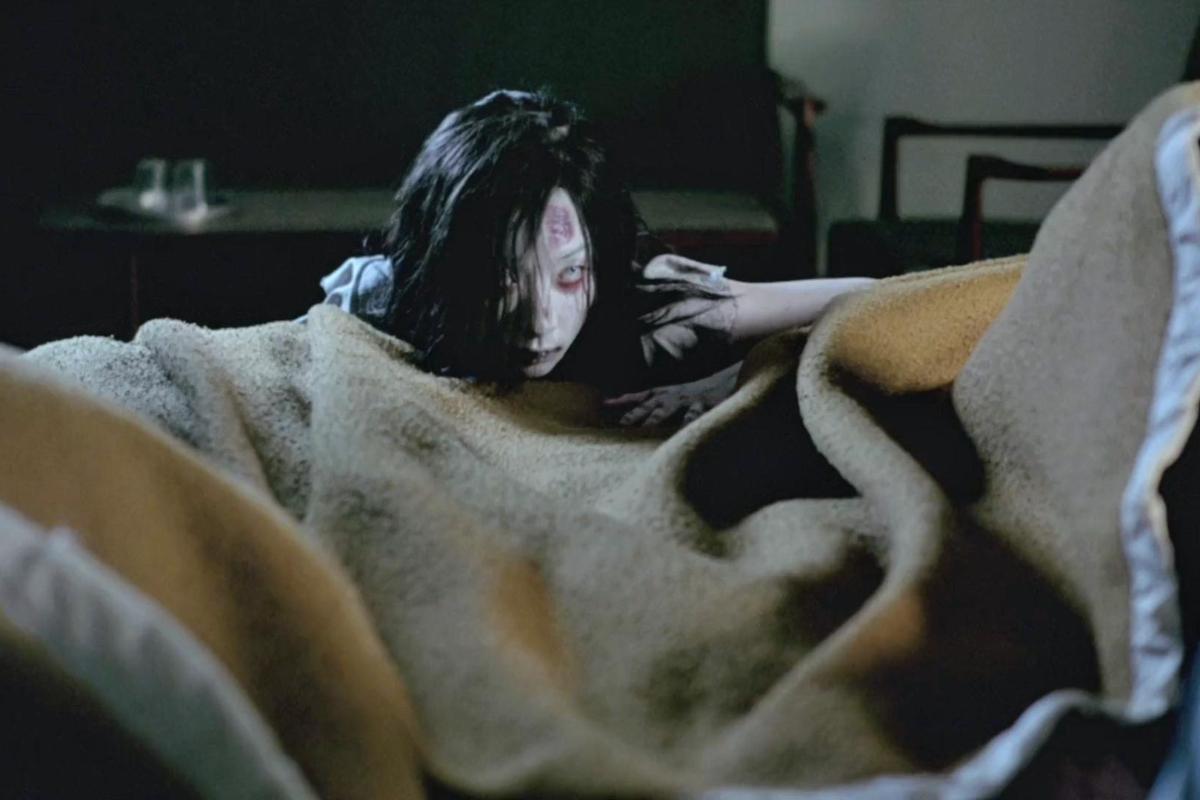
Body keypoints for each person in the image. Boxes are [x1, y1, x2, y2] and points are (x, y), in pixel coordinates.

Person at [317, 89, 873, 426]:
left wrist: (734, 381)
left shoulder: (650, 301)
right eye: (505, 279)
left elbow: (874, 299)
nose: (539, 322)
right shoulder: (387, 295)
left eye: (570, 272)